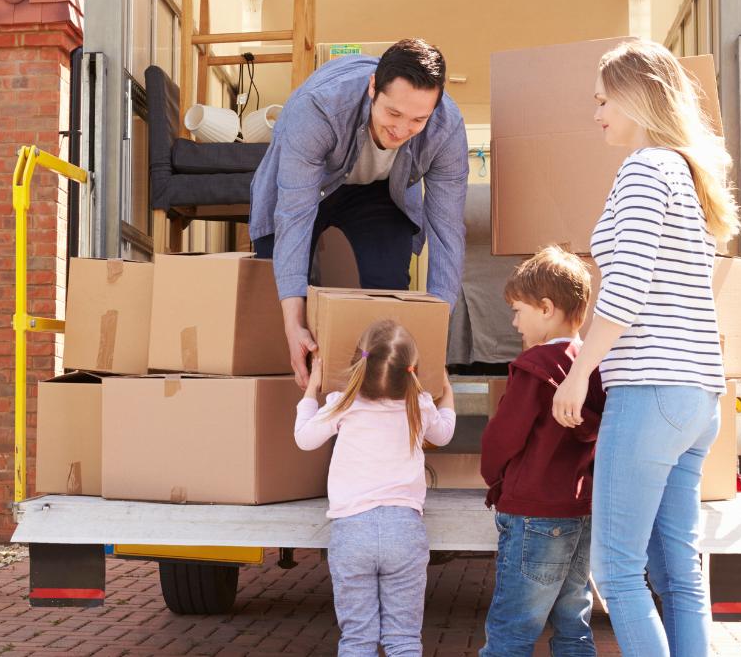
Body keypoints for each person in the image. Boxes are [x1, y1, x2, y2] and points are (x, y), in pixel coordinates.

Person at [550, 40, 739, 656]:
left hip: (650, 391)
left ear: (635, 97)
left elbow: (626, 292)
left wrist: (579, 371)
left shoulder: (644, 169)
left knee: (618, 569)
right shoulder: (688, 176)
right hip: (699, 397)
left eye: (604, 100)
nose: (597, 113)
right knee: (679, 576)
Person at [249, 39, 469, 388]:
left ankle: (374, 407)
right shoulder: (319, 108)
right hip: (308, 188)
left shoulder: (447, 127)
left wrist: (434, 333)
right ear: (372, 88)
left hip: (379, 193)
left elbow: (447, 230)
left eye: (417, 120)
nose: (400, 130)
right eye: (393, 114)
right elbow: (294, 215)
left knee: (387, 291)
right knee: (281, 306)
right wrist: (293, 323)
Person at [294, 319, 457, 657]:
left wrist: (312, 388)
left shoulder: (343, 403)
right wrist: (447, 389)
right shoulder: (420, 404)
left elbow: (304, 439)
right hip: (404, 531)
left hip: (352, 532)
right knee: (404, 639)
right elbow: (444, 433)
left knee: (357, 640)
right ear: (412, 371)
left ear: (358, 363)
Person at [479, 246, 607, 657]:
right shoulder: (593, 366)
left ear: (546, 308)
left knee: (512, 629)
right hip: (579, 513)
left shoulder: (534, 367)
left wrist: (493, 478)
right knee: (573, 625)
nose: (515, 322)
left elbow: (503, 437)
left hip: (533, 513)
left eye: (518, 310)